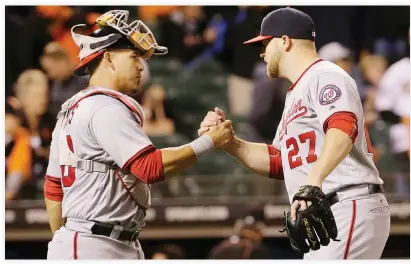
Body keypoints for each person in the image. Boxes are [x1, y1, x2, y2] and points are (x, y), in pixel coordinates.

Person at [198, 7, 389, 259]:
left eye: (266, 43)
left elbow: (344, 127)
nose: (262, 52)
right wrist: (229, 142)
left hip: (347, 201)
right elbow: (281, 162)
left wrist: (314, 180)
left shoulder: (325, 75)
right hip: (329, 208)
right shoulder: (295, 93)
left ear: (285, 41)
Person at [44, 10, 234, 260]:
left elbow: (53, 188)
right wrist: (209, 142)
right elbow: (149, 167)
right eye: (134, 57)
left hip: (98, 241)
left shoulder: (72, 109)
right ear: (109, 58)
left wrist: (64, 239)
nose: (141, 67)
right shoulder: (105, 106)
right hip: (93, 245)